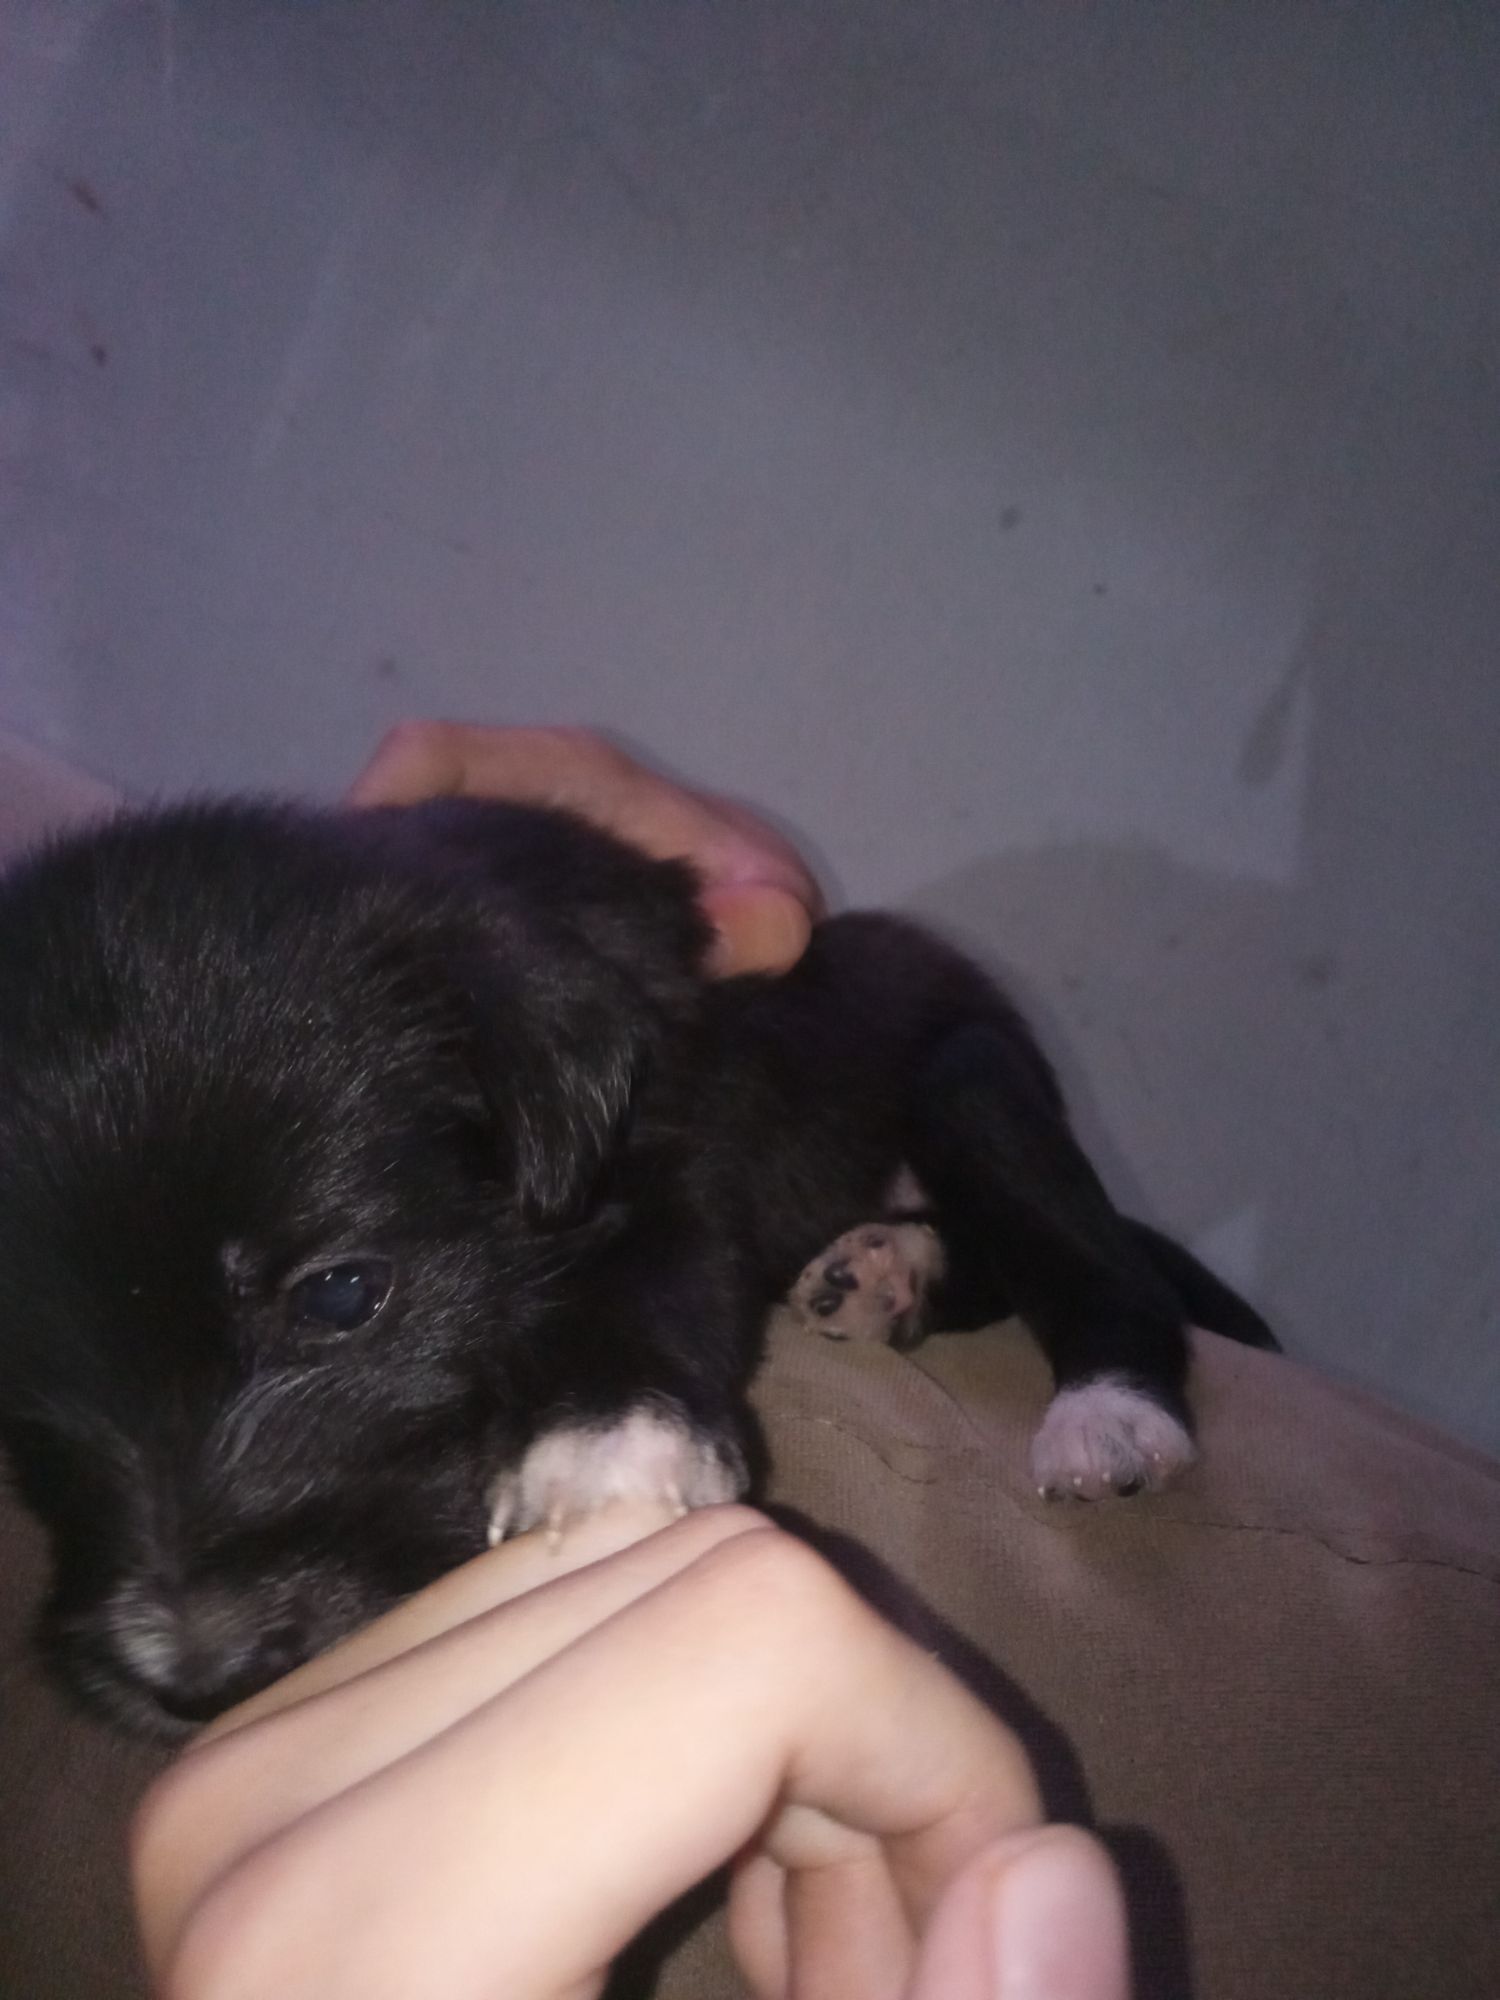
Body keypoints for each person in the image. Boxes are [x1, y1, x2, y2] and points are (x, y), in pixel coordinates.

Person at [127, 722, 1129, 2000]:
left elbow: (647, 1209)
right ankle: (944, 1271)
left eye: (335, 1297)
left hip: (905, 1044)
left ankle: (1112, 1347)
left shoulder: (546, 1030)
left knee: (1005, 1157)